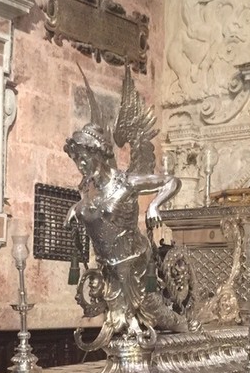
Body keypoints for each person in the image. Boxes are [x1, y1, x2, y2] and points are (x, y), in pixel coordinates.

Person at [64, 122, 190, 339]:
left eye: (83, 157)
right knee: (118, 321)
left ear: (98, 154)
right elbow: (92, 210)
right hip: (109, 269)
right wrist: (75, 209)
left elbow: (172, 182)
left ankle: (186, 328)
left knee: (154, 313)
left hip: (135, 263)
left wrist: (153, 205)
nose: (80, 164)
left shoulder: (126, 182)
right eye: (76, 160)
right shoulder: (90, 190)